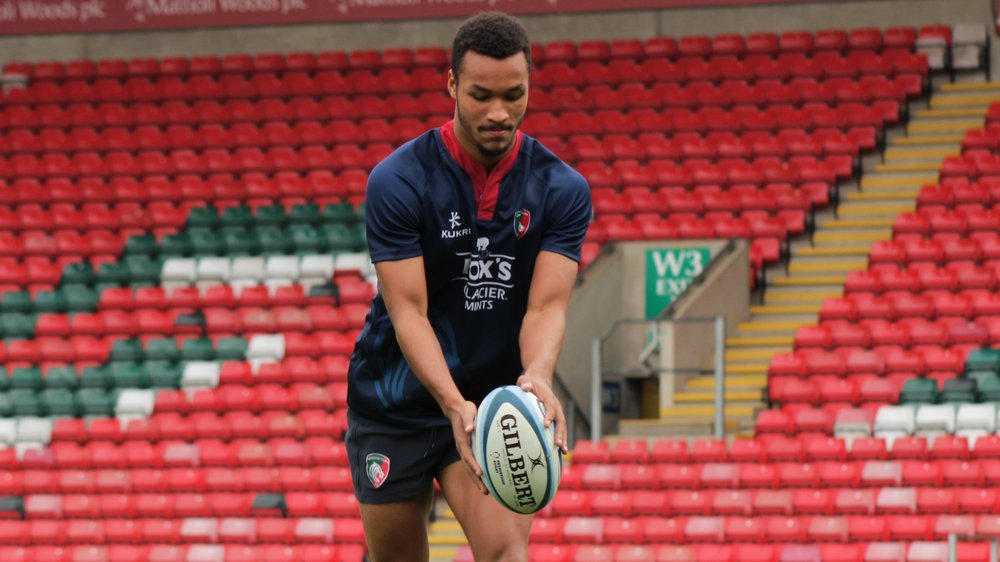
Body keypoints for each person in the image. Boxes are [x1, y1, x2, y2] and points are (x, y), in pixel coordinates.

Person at [345, 11, 592, 562]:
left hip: (491, 407)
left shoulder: (561, 189)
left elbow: (546, 307)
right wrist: (451, 403)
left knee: (508, 555)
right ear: (452, 84)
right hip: (395, 403)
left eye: (514, 95)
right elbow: (408, 312)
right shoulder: (399, 181)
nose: (498, 113)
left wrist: (537, 376)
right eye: (481, 95)